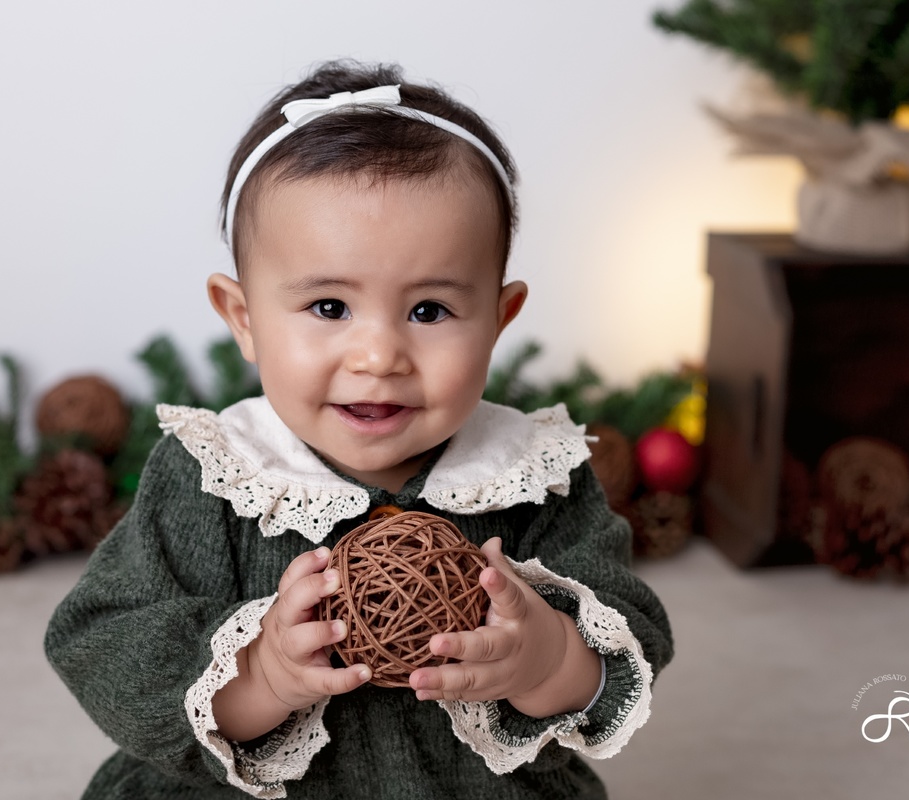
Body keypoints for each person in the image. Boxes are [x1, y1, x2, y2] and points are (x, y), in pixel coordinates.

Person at [45, 60, 674, 800]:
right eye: (330, 308)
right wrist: (258, 677)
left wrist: (546, 658)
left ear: (499, 321)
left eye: (430, 311)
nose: (379, 358)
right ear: (243, 319)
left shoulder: (532, 471)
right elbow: (106, 635)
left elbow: (629, 633)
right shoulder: (215, 472)